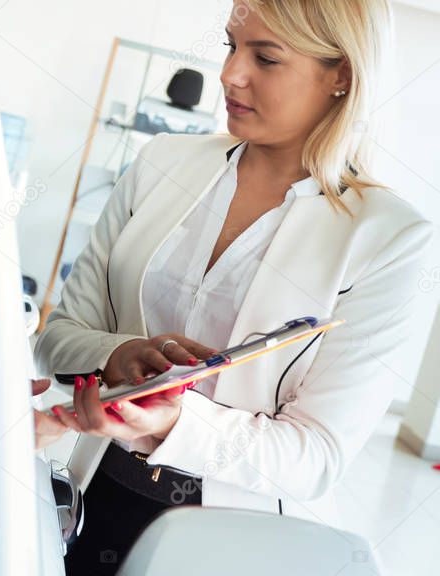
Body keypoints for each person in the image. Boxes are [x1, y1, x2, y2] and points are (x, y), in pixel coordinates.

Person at [34, 1, 434, 574]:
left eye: (266, 58)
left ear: (341, 75)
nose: (229, 74)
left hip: (232, 540)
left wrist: (174, 422)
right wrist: (117, 356)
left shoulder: (387, 239)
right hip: (91, 496)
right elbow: (59, 338)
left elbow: (315, 456)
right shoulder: (160, 164)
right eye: (231, 45)